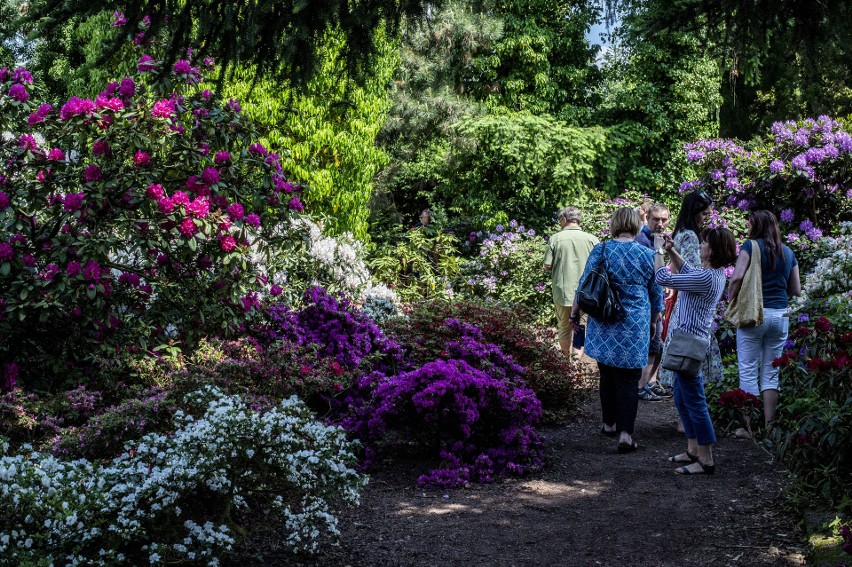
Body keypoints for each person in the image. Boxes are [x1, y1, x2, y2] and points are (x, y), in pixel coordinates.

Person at [570, 207, 663, 453]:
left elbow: (585, 284)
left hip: (605, 319)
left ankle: (609, 424)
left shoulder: (602, 249)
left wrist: (574, 313)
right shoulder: (647, 254)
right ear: (635, 225)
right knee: (630, 379)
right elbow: (656, 294)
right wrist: (654, 322)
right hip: (635, 323)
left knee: (607, 373)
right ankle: (625, 433)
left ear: (614, 225)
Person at [655, 226, 738, 475]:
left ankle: (706, 459)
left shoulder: (707, 278)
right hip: (688, 340)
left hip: (690, 343)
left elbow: (662, 278)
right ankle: (692, 449)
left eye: (704, 244)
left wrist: (659, 249)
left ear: (712, 252)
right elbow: (687, 270)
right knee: (681, 395)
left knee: (695, 401)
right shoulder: (711, 273)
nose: (700, 246)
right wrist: (672, 252)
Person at [728, 210, 801, 435]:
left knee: (748, 369)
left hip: (754, 314)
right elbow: (796, 289)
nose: (747, 227)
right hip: (780, 316)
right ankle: (769, 428)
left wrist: (731, 297)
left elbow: (738, 276)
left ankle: (748, 427)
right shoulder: (788, 252)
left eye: (749, 223)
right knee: (771, 373)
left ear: (756, 225)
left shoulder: (750, 247)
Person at [658, 190, 723, 392]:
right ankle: (686, 419)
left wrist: (668, 250)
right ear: (694, 212)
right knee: (689, 363)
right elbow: (689, 272)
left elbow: (687, 272)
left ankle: (684, 416)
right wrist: (660, 251)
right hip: (690, 305)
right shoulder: (689, 236)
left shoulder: (683, 233)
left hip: (687, 300)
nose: (705, 219)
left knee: (684, 364)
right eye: (704, 214)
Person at [543, 206, 599, 357]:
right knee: (580, 327)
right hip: (586, 293)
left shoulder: (556, 238)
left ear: (564, 219)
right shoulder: (593, 239)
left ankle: (565, 361)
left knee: (564, 326)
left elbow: (547, 265)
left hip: (563, 291)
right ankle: (575, 366)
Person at [634, 203, 672, 401]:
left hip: (657, 301)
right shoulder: (641, 241)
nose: (660, 223)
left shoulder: (662, 239)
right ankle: (641, 387)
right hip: (647, 303)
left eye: (664, 219)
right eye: (656, 219)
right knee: (653, 345)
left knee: (658, 346)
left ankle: (648, 383)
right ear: (647, 218)